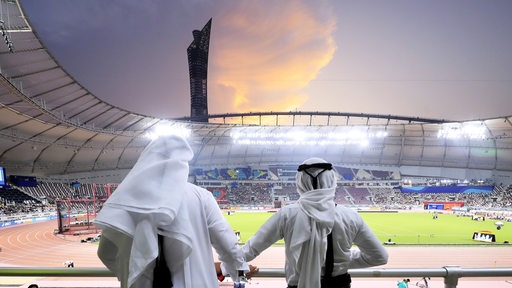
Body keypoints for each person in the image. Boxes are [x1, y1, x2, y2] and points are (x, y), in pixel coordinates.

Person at [94, 135, 249, 288]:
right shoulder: (202, 197)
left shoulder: (126, 200)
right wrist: (240, 277)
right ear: (182, 164)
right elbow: (229, 249)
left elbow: (108, 252)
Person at [242, 157, 389, 288]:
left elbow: (250, 250)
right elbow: (379, 257)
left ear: (300, 182)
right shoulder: (350, 216)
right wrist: (342, 259)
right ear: (332, 181)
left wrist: (224, 268)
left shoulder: (287, 214)